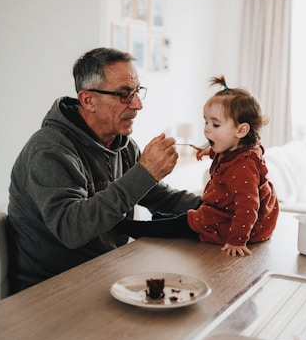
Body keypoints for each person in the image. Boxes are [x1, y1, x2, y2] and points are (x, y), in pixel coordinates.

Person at [7, 48, 201, 293]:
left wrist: (219, 206)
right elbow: (72, 229)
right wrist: (144, 172)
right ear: (88, 100)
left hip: (107, 272)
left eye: (137, 92)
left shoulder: (123, 146)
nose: (138, 105)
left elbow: (160, 197)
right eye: (124, 94)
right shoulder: (48, 151)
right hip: (51, 291)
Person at [116, 75, 280, 257]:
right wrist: (209, 152)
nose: (207, 129)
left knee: (186, 224)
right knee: (187, 219)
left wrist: (237, 240)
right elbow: (228, 157)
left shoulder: (244, 168)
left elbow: (248, 207)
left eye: (215, 124)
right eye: (206, 122)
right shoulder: (239, 150)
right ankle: (163, 219)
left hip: (233, 226)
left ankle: (135, 228)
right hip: (227, 217)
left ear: (241, 130)